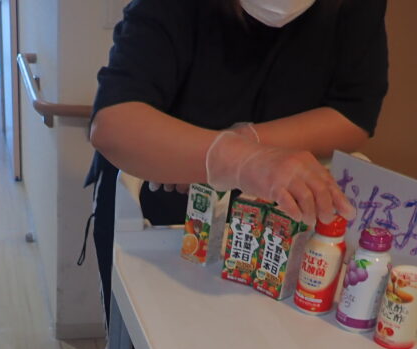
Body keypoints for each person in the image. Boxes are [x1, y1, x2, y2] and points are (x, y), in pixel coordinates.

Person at [87, 0, 389, 326]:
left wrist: (249, 146)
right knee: (153, 338)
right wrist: (235, 160)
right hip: (162, 209)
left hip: (276, 225)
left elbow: (354, 112)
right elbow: (113, 124)